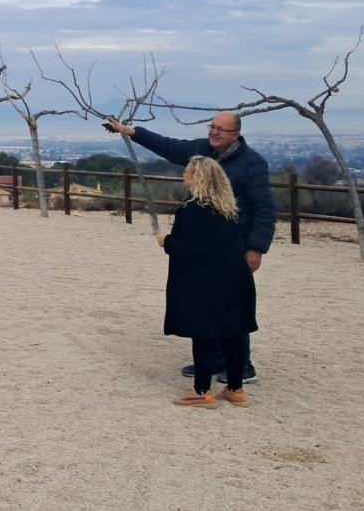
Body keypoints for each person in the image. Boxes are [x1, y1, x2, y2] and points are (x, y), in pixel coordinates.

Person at [105, 111, 274, 382]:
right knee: (206, 303)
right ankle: (210, 360)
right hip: (206, 245)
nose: (214, 132)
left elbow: (264, 209)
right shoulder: (200, 150)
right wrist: (133, 132)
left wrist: (256, 248)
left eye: (221, 129)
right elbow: (169, 146)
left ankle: (242, 366)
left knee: (232, 306)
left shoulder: (253, 163)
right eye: (212, 126)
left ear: (236, 134)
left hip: (235, 245)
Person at [159, 156, 257, 408]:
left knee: (203, 334)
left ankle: (202, 391)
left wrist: (166, 241)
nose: (184, 176)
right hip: (236, 280)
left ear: (198, 178)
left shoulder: (193, 210)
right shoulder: (227, 210)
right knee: (232, 334)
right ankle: (235, 389)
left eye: (188, 173)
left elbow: (193, 249)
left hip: (207, 283)